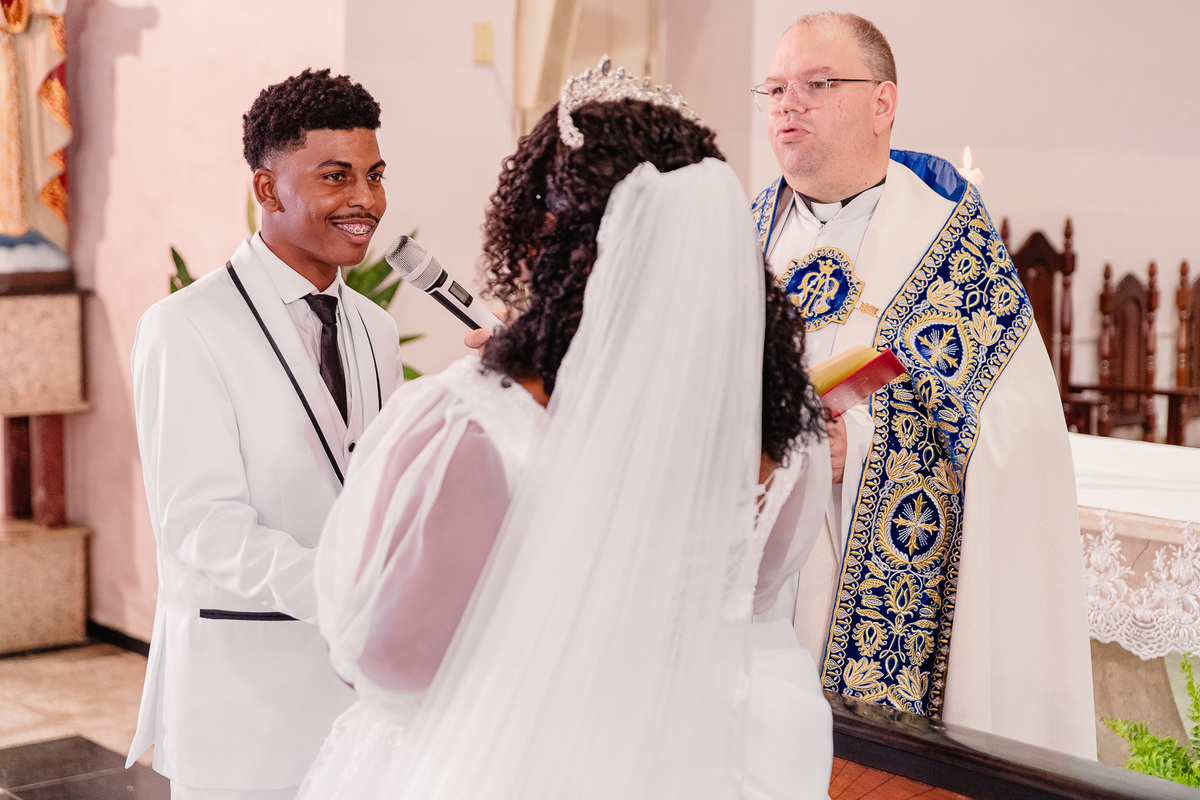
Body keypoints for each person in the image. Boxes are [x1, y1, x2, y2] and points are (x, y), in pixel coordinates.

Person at [299, 61, 834, 800]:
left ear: (544, 243)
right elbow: (758, 588)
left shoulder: (478, 426)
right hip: (694, 764)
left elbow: (388, 662)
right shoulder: (786, 435)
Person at [750, 12, 1096, 758]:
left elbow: (1020, 441)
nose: (787, 104)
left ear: (883, 104)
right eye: (775, 87)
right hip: (742, 601)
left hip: (870, 607)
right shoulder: (734, 236)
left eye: (816, 84)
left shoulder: (954, 252)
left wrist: (864, 451)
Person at [126, 68, 403, 798]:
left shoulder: (375, 329)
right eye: (336, 177)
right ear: (267, 188)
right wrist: (343, 589)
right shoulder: (184, 329)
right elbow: (201, 527)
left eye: (374, 176)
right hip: (246, 694)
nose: (365, 201)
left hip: (359, 697)